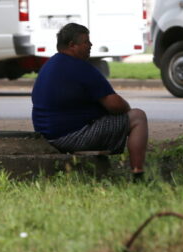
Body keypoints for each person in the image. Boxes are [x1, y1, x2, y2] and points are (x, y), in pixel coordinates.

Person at [31, 23, 149, 179]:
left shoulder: (50, 65)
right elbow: (115, 105)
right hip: (70, 136)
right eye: (86, 42)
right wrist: (127, 108)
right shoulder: (80, 67)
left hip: (47, 135)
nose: (90, 45)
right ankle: (138, 174)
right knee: (137, 117)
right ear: (72, 45)